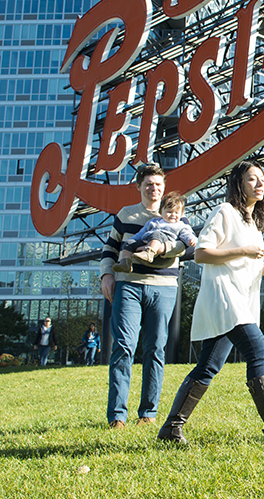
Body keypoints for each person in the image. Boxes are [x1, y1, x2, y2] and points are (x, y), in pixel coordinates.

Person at [158, 160, 264, 445]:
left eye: (262, 179)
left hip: (240, 301)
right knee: (259, 349)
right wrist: (243, 250)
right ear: (238, 183)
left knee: (208, 366)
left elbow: (252, 267)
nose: (260, 184)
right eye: (252, 179)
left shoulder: (254, 224)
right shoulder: (224, 211)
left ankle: (171, 429)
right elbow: (201, 254)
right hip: (224, 297)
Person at [100, 163, 188, 429]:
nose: (154, 188)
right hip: (129, 286)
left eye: (158, 184)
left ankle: (148, 414)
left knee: (156, 348)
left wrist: (160, 247)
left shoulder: (176, 214)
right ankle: (117, 416)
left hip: (164, 288)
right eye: (149, 184)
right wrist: (106, 275)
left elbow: (185, 246)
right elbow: (110, 248)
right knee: (123, 346)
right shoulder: (126, 214)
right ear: (139, 187)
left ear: (164, 188)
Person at [113, 192, 197, 273]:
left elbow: (187, 234)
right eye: (169, 212)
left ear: (181, 214)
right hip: (146, 241)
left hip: (164, 245)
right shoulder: (154, 221)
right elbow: (141, 233)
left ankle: (149, 253)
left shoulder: (181, 225)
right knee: (129, 242)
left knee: (156, 234)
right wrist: (132, 241)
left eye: (176, 213)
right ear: (161, 212)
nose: (173, 215)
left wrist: (191, 239)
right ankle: (125, 262)